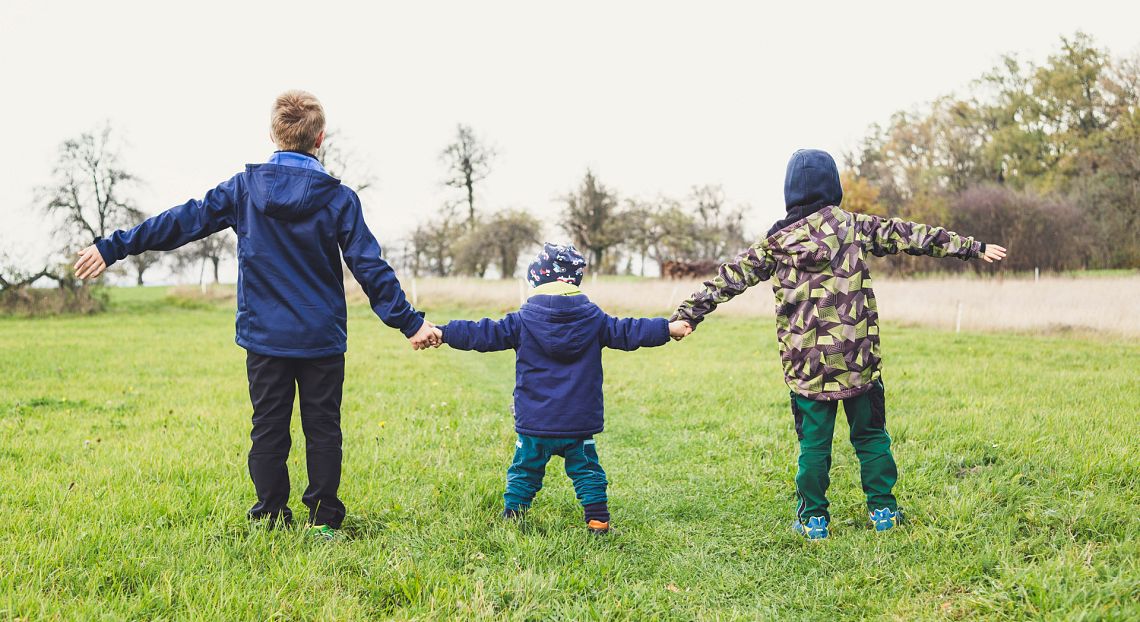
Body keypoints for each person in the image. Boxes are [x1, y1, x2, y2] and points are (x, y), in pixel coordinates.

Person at [73, 90, 440, 540]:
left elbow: (181, 222)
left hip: (265, 337)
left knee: (268, 429)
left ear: (272, 134)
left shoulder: (244, 190)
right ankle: (324, 521)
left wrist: (114, 247)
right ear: (320, 138)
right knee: (323, 429)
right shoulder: (339, 198)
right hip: (321, 338)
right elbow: (370, 267)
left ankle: (270, 515)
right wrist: (410, 323)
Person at [671, 149, 1007, 539]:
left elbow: (728, 278)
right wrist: (972, 247)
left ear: (790, 192)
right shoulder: (854, 227)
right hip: (857, 359)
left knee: (814, 446)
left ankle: (814, 520)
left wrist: (688, 314)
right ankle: (883, 511)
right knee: (871, 436)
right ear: (833, 186)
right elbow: (909, 235)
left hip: (808, 367)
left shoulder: (775, 243)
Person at [433, 243, 691, 534]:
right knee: (587, 471)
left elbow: (482, 333)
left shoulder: (521, 321)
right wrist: (667, 328)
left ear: (536, 280)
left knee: (524, 470)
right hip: (577, 421)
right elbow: (630, 330)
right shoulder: (595, 320)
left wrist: (444, 332)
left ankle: (513, 516)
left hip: (535, 421)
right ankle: (598, 520)